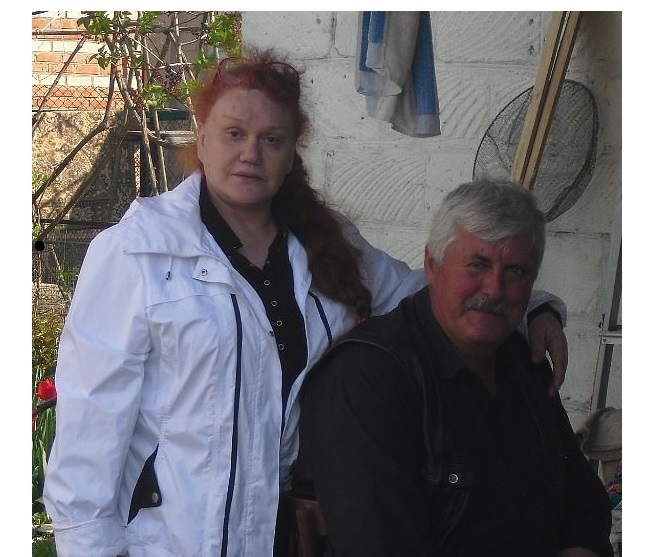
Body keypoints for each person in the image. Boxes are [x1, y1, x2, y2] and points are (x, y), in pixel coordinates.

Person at [43, 48, 568, 557]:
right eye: (234, 133)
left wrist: (532, 308)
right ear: (201, 139)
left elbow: (426, 293)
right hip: (168, 542)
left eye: (271, 139)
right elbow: (91, 425)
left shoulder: (324, 242)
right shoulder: (139, 252)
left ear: (292, 151)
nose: (251, 153)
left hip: (282, 538)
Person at [297, 180, 614, 557]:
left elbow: (585, 507)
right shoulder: (367, 378)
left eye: (515, 271)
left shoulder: (522, 359)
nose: (494, 289)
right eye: (477, 265)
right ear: (433, 266)